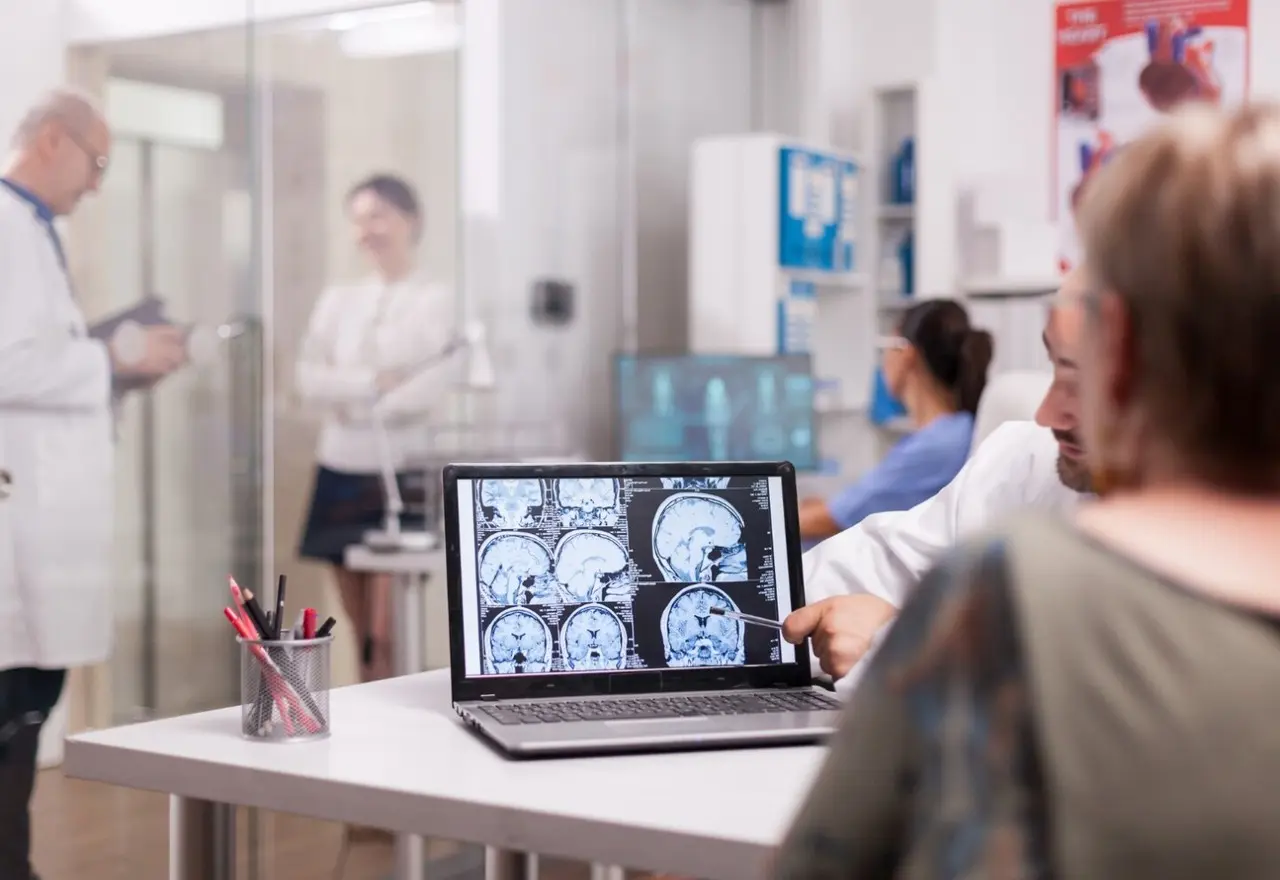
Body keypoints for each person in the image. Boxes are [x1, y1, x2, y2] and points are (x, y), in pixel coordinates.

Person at [773, 100, 1280, 880]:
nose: (1047, 411)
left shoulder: (1014, 592)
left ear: (1132, 348)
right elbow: (864, 561)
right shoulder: (1025, 468)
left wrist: (899, 648)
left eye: (1077, 367)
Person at [0, 88, 187, 880]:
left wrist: (113, 363)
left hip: (39, 513)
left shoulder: (31, 231)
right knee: (15, 711)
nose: (98, 183)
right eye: (96, 162)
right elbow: (10, 362)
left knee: (26, 709)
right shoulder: (6, 227)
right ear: (51, 139)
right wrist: (116, 355)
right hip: (17, 516)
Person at [784, 270, 1094, 686]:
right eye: (1055, 367)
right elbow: (884, 562)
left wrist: (895, 640)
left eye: (1083, 380)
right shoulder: (1022, 460)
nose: (1046, 413)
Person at [296, 173, 459, 684]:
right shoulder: (338, 300)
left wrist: (348, 390)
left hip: (400, 476)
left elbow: (421, 392)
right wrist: (372, 382)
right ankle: (365, 734)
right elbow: (307, 380)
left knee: (388, 632)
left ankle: (391, 743)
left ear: (409, 220)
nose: (367, 230)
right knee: (359, 628)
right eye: (358, 220)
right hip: (339, 469)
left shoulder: (437, 299)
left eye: (378, 216)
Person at [799, 299, 993, 542]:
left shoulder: (938, 445)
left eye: (886, 348)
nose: (882, 362)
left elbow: (832, 520)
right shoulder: (954, 431)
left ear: (906, 354)